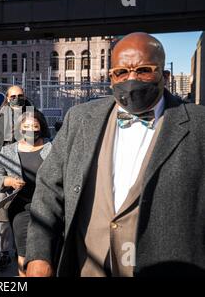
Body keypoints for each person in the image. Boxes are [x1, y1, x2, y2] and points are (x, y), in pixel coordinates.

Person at [26, 32, 205, 277]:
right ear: (110, 77)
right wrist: (39, 255)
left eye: (143, 70)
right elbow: (49, 189)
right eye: (121, 72)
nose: (131, 79)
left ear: (165, 76)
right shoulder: (80, 119)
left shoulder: (198, 126)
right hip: (86, 269)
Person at [0, 110, 51, 276]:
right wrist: (8, 181)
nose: (31, 130)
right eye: (26, 126)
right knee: (23, 251)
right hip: (20, 208)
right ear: (19, 128)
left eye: (35, 126)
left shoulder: (51, 147)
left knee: (45, 250)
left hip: (47, 206)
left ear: (41, 127)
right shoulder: (8, 150)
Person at [0, 85, 34, 270]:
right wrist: (2, 177)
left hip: (28, 170)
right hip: (6, 170)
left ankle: (22, 251)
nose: (17, 98)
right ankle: (4, 253)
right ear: (7, 98)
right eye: (13, 96)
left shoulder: (33, 114)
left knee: (26, 216)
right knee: (3, 217)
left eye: (20, 95)